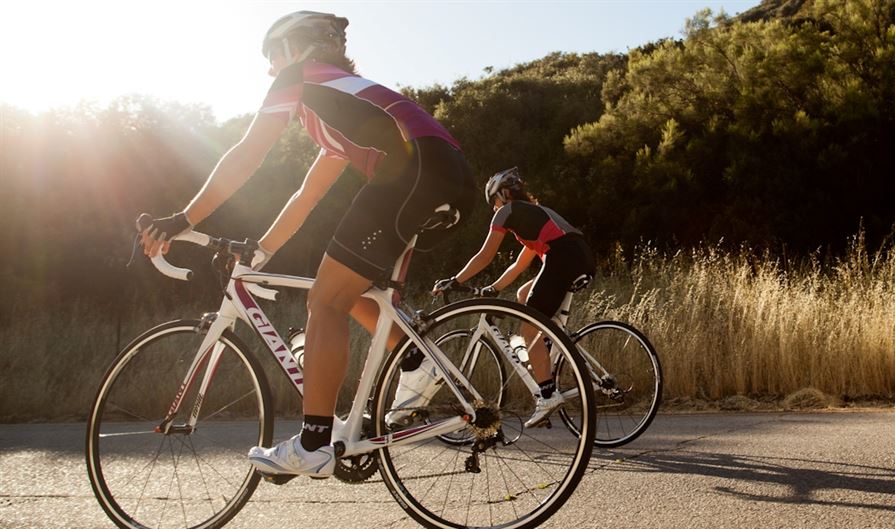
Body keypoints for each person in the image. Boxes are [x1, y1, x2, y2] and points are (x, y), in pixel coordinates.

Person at [138, 11, 475, 478]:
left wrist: (181, 219)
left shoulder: (301, 79)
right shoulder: (342, 105)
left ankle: (315, 444)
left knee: (324, 301)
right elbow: (307, 195)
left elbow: (247, 155)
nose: (269, 68)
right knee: (348, 290)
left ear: (297, 49)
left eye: (272, 54)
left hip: (415, 175)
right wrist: (262, 252)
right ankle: (416, 362)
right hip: (449, 177)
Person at [390, 167, 595, 428]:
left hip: (563, 259)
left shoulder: (507, 212)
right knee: (524, 295)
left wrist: (456, 281)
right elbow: (519, 266)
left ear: (501, 196)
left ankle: (546, 394)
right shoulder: (535, 215)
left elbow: (485, 256)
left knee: (529, 328)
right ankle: (550, 352)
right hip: (581, 258)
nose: (494, 208)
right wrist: (495, 288)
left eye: (493, 202)